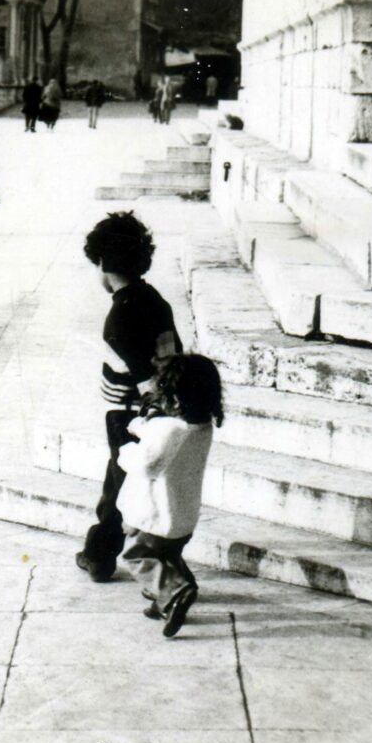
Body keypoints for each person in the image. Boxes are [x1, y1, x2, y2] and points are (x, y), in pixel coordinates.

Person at [75, 211, 182, 583]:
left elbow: (142, 374)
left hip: (130, 414)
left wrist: (151, 411)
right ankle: (99, 550)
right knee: (118, 477)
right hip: (156, 408)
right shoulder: (154, 298)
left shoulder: (118, 320)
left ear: (103, 262)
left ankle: (109, 555)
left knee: (124, 484)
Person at [117, 353, 223, 637]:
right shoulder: (201, 426)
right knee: (167, 557)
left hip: (154, 515)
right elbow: (161, 435)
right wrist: (145, 425)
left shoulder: (169, 429)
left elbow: (147, 463)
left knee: (137, 556)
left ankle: (176, 591)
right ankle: (168, 598)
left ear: (174, 400)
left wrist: (124, 451)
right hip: (182, 516)